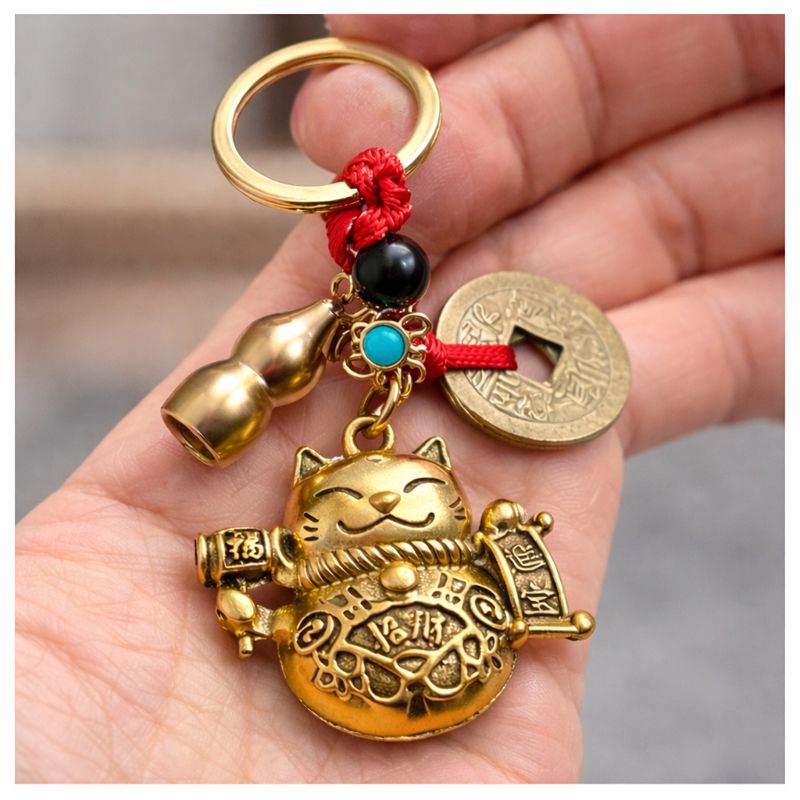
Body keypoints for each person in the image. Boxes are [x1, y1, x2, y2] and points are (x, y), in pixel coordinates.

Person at [15, 14, 784, 782]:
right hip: (342, 655)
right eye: (359, 506)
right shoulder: (299, 555)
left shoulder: (385, 532)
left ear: (442, 475)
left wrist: (514, 555)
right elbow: (247, 580)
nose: (385, 506)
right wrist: (241, 600)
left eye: (413, 495)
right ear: (308, 487)